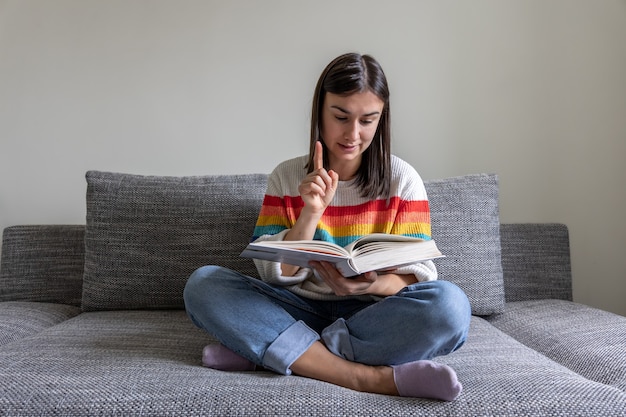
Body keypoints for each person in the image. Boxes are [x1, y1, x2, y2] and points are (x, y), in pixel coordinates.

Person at [184, 52, 471, 401]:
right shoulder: (287, 176)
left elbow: (417, 275)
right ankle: (366, 377)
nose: (353, 134)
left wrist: (372, 283)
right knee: (204, 284)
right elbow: (272, 274)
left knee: (451, 307)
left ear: (382, 119)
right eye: (341, 116)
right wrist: (310, 213)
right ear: (320, 111)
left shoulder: (403, 180)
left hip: (372, 316)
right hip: (297, 307)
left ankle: (278, 352)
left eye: (368, 120)